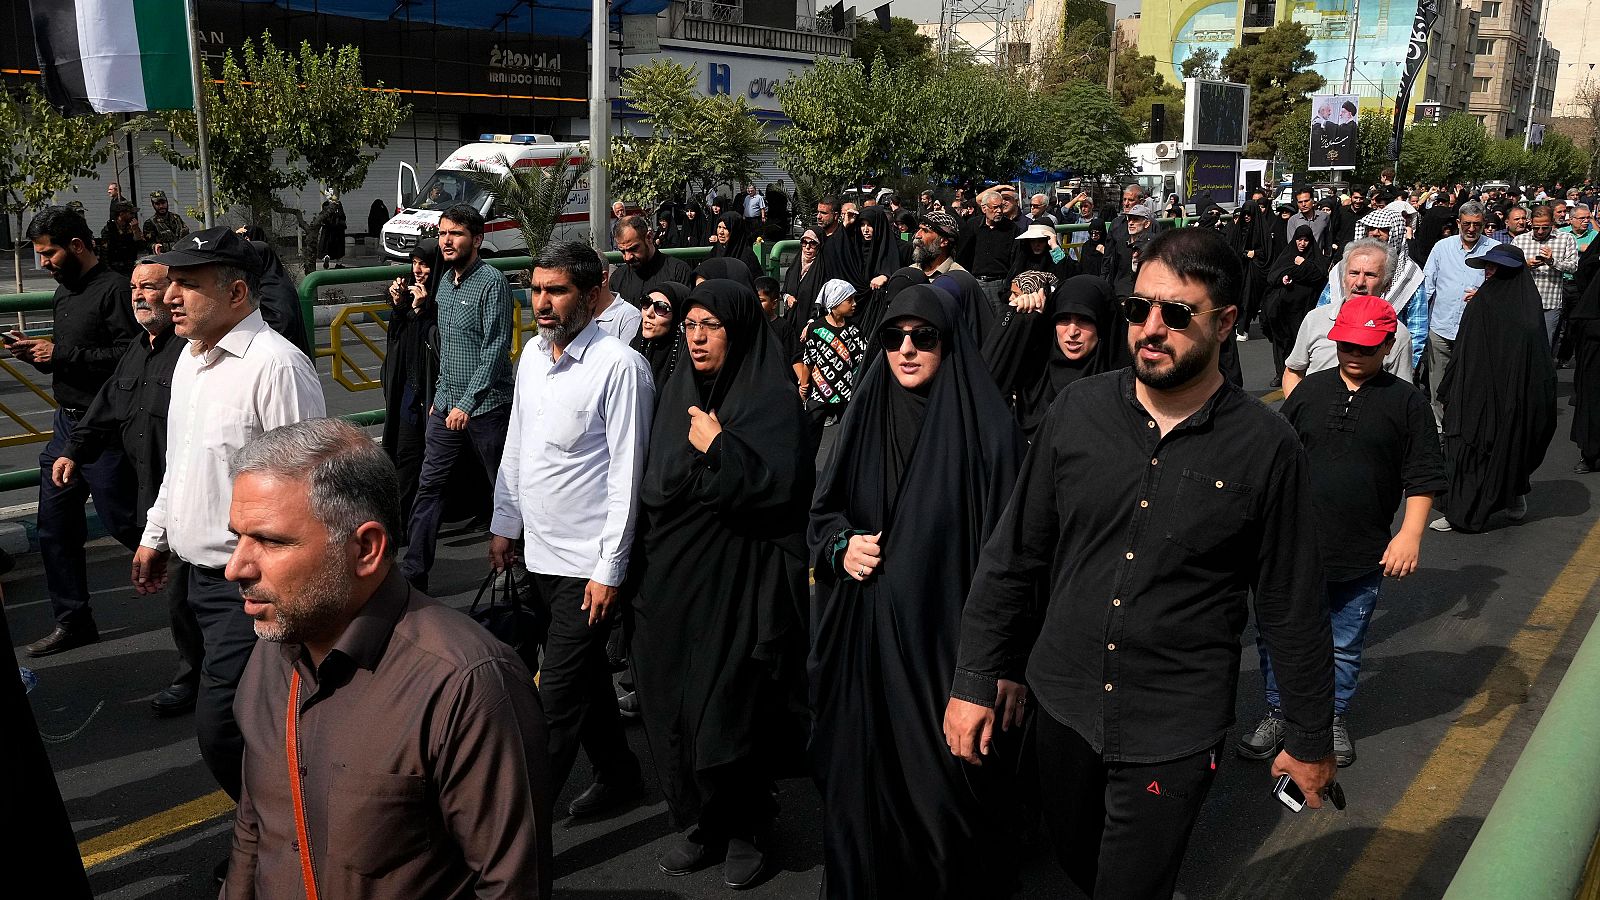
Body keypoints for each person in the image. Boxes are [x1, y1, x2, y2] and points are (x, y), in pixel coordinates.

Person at [943, 227, 1335, 900]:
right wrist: (978, 676)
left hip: (1172, 727)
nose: (1151, 328)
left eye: (1176, 314)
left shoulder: (1267, 448)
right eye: (1138, 310)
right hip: (1063, 708)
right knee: (1075, 861)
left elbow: (1290, 606)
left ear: (1226, 323)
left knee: (1130, 885)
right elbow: (1014, 557)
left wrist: (1308, 733)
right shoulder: (1077, 412)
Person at [223, 419, 553, 900]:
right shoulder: (272, 652)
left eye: (271, 541)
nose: (236, 567)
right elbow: (255, 828)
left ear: (366, 549)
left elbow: (511, 885)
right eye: (238, 537)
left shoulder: (467, 686)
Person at [808, 282, 1026, 898]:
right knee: (862, 798)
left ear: (948, 341)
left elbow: (1019, 557)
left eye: (923, 337)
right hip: (867, 654)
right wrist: (840, 546)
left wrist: (1006, 665)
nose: (906, 350)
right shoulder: (867, 413)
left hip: (947, 657)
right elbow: (822, 514)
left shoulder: (989, 432)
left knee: (944, 806)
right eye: (893, 338)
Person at [133, 225, 326, 811]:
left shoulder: (276, 367)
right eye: (172, 283)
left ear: (238, 293)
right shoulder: (190, 360)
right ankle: (275, 835)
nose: (169, 297)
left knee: (224, 727)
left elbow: (306, 486)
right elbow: (183, 461)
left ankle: (286, 836)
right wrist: (156, 536)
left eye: (187, 286)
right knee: (244, 727)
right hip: (193, 580)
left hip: (249, 587)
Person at [630, 279, 812, 888]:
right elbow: (657, 485)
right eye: (691, 326)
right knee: (674, 707)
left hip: (742, 585)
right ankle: (706, 822)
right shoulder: (676, 394)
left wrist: (718, 448)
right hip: (675, 585)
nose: (698, 336)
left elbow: (779, 488)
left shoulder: (771, 399)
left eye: (712, 326)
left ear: (739, 332)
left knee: (729, 712)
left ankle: (747, 827)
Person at [1241, 297, 1444, 769]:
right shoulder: (1310, 391)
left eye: (1367, 347)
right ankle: (1280, 710)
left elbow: (1424, 475)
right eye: (1347, 344)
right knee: (1277, 635)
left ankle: (1331, 716)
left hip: (1361, 552)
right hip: (1290, 548)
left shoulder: (1407, 403)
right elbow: (1272, 460)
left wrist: (1409, 534)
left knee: (1343, 642)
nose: (1354, 354)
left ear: (1389, 345)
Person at [489, 242, 652, 819]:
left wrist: (609, 571)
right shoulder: (532, 357)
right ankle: (619, 774)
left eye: (555, 291)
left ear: (589, 295)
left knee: (551, 704)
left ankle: (515, 843)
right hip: (538, 555)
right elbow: (518, 445)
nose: (542, 303)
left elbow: (627, 480)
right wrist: (505, 524)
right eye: (536, 290)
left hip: (587, 569)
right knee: (589, 686)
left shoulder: (621, 368)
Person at [51, 260, 200, 715]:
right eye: (134, 287)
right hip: (152, 494)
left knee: (197, 594)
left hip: (191, 493)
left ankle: (202, 680)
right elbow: (107, 404)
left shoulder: (193, 353)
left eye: (149, 287)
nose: (138, 296)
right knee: (185, 596)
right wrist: (73, 451)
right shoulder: (138, 349)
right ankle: (203, 676)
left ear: (172, 292)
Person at [15, 207, 144, 656]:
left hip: (104, 430)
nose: (43, 263)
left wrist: (64, 354)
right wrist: (38, 354)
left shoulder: (114, 291)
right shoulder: (63, 295)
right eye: (38, 256)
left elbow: (130, 357)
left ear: (77, 246)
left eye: (49, 253)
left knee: (130, 524)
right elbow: (69, 353)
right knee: (54, 529)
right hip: (65, 427)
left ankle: (206, 601)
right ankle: (72, 621)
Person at [401, 204, 515, 594]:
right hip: (447, 405)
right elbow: (447, 348)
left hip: (487, 407)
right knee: (428, 485)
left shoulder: (492, 282)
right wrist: (443, 398)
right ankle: (414, 572)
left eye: (456, 234)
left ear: (477, 239)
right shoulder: (444, 284)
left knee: (504, 487)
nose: (446, 240)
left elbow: (496, 349)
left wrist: (467, 402)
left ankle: (525, 567)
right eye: (443, 233)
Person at [1431, 244, 1557, 533]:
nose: (1489, 271)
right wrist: (1450, 389)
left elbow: (1536, 363)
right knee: (1466, 446)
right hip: (1473, 392)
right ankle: (1459, 511)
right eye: (1487, 265)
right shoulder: (1481, 303)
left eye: (1495, 266)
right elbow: (1463, 350)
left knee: (1506, 446)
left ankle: (1511, 493)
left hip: (1510, 397)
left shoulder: (1527, 312)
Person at [982, 272, 1119, 439]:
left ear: (1102, 324)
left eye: (1084, 320)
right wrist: (1018, 319)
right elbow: (985, 385)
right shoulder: (1036, 371)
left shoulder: (1118, 384)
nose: (1072, 332)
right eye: (1063, 319)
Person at [382, 238, 444, 530]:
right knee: (405, 454)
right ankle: (402, 521)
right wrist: (400, 306)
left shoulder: (441, 300)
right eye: (415, 263)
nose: (418, 270)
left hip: (431, 391)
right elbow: (399, 340)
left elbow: (431, 344)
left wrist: (418, 311)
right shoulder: (412, 295)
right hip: (409, 392)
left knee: (416, 458)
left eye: (425, 264)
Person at [1318, 216, 1430, 373]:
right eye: (1372, 228)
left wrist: (1407, 367)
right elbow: (1324, 312)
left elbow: (1417, 330)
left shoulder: (1410, 275)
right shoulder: (1342, 268)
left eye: (1383, 229)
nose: (1376, 233)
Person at [1422, 202, 1497, 423]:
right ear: (1458, 223)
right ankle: (1439, 426)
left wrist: (1484, 296)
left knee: (1472, 380)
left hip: (1476, 330)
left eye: (1476, 224)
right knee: (1438, 382)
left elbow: (1504, 288)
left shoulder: (1494, 250)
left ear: (1483, 224)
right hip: (1441, 327)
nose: (1471, 229)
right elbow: (1428, 286)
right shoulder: (1441, 248)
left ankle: (1466, 425)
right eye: (1467, 224)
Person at [1262, 225, 1328, 385]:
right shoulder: (1287, 254)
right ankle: (1280, 373)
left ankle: (1300, 373)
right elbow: (1272, 276)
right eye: (1300, 239)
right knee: (1281, 341)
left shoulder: (1314, 258)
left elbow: (1319, 275)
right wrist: (1284, 277)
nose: (1303, 243)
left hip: (1304, 309)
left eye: (1306, 240)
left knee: (1301, 341)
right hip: (1283, 310)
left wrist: (1304, 264)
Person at [801, 279, 865, 439]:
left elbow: (861, 359)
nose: (854, 304)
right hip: (819, 393)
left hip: (847, 393)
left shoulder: (853, 329)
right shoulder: (816, 329)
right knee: (810, 439)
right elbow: (809, 359)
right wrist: (803, 387)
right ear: (835, 302)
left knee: (850, 438)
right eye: (849, 300)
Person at [1511, 205, 1580, 352]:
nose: (1540, 231)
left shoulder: (1566, 239)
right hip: (1524, 302)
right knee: (1523, 345)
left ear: (1552, 223)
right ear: (1531, 222)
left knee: (1545, 345)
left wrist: (1552, 261)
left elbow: (1573, 267)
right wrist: (1526, 265)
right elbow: (1510, 269)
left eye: (1545, 227)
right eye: (1536, 228)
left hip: (1551, 302)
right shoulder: (1519, 240)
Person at [954, 191, 1020, 312]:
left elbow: (1016, 258)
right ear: (984, 208)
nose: (999, 211)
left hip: (1001, 284)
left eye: (1001, 207)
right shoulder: (972, 225)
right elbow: (963, 254)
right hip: (976, 282)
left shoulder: (1011, 228)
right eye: (995, 207)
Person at [611, 215, 694, 305]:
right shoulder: (618, 278)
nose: (627, 257)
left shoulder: (678, 272)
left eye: (634, 249)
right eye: (622, 251)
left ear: (649, 237)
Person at [633, 282, 689, 392]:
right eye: (646, 303)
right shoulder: (636, 346)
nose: (649, 313)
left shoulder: (686, 362)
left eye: (661, 308)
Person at [781, 227, 824, 320]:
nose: (807, 247)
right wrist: (787, 297)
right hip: (791, 321)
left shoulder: (823, 270)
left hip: (811, 323)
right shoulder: (794, 267)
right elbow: (784, 291)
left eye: (813, 243)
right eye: (804, 243)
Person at [100, 200, 149, 276]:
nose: (133, 216)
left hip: (130, 267)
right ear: (122, 214)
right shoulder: (109, 229)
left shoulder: (132, 227)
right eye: (130, 213)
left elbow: (142, 247)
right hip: (115, 268)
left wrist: (135, 231)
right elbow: (104, 253)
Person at [710, 210, 763, 277]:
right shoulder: (715, 251)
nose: (720, 232)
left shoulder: (747, 256)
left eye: (725, 228)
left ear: (735, 231)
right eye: (719, 227)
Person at [313, 190, 347, 269]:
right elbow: (343, 216)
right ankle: (338, 263)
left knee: (326, 246)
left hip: (329, 229)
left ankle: (326, 257)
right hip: (338, 229)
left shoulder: (326, 204)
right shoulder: (337, 204)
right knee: (339, 247)